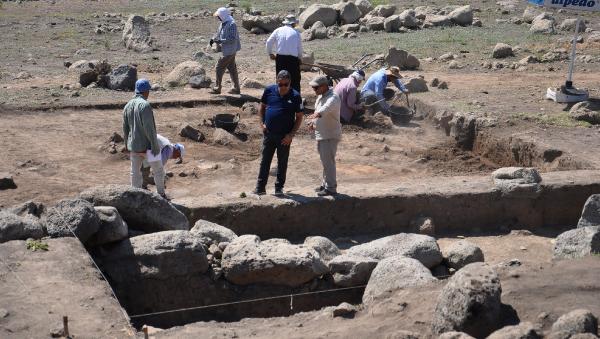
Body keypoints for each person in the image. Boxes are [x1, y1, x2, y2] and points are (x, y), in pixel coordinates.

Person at [254, 70, 303, 196]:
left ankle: (279, 188)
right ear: (277, 82)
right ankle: (260, 188)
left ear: (290, 83)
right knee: (265, 161)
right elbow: (262, 107)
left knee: (282, 162)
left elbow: (299, 117)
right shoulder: (269, 90)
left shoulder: (296, 96)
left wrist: (290, 135)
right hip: (269, 133)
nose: (283, 87)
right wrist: (262, 124)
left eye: (285, 84)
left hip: (284, 137)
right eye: (280, 84)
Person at [122, 79, 167, 199]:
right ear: (145, 91)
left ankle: (135, 195)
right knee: (158, 170)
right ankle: (161, 195)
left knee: (134, 172)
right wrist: (154, 145)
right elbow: (149, 129)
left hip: (134, 146)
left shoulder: (127, 106)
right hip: (147, 147)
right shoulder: (145, 105)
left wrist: (126, 145)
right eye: (148, 91)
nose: (149, 93)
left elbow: (125, 128)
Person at [306, 75, 342, 196]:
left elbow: (325, 109)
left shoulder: (334, 97)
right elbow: (319, 112)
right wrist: (313, 123)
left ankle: (331, 188)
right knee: (325, 161)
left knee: (328, 162)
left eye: (316, 88)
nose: (314, 90)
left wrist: (315, 116)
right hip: (322, 134)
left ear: (324, 86)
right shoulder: (320, 97)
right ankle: (325, 184)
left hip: (330, 135)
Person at [266, 14, 303, 93]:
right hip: (293, 60)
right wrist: (299, 58)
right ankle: (296, 100)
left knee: (281, 79)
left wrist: (270, 53)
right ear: (293, 24)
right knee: (295, 80)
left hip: (280, 59)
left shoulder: (278, 30)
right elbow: (299, 48)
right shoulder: (296, 33)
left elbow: (269, 42)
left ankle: (281, 98)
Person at [210, 7, 241, 95]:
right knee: (232, 68)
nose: (218, 18)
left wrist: (220, 41)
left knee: (219, 67)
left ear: (223, 15)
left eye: (219, 16)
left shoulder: (232, 24)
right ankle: (236, 88)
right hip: (227, 50)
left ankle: (217, 88)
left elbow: (232, 39)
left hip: (230, 50)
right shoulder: (223, 23)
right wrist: (213, 39)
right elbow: (218, 34)